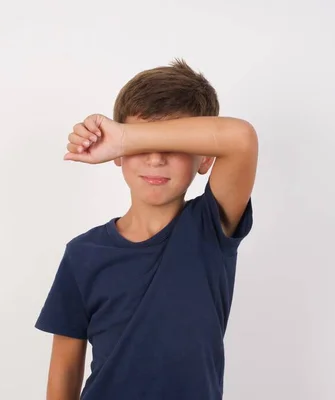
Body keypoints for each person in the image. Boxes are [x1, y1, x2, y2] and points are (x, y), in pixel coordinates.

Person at [35, 58, 258, 400]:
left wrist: (127, 136)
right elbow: (64, 371)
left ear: (206, 159)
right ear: (119, 156)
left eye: (174, 145)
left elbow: (241, 138)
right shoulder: (83, 254)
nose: (155, 159)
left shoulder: (211, 229)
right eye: (140, 147)